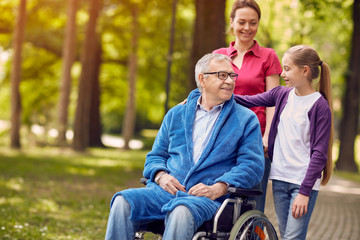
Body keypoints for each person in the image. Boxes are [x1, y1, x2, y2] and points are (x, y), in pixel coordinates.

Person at [104, 53, 264, 240]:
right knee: (123, 201)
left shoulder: (245, 119)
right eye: (222, 75)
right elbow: (155, 156)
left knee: (181, 210)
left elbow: (252, 165)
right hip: (163, 193)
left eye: (232, 76)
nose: (230, 81)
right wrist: (160, 176)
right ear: (202, 79)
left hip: (206, 199)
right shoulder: (176, 114)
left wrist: (218, 188)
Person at [234, 45, 333, 240]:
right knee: (285, 235)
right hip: (280, 179)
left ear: (305, 71)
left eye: (287, 69)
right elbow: (247, 100)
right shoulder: (281, 94)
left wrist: (304, 193)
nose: (282, 73)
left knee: (292, 238)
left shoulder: (319, 106)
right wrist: (206, 96)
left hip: (302, 183)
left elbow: (319, 154)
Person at [212, 0, 282, 212]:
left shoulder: (268, 56)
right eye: (242, 22)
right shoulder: (218, 56)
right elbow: (208, 93)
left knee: (251, 205)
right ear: (232, 22)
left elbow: (273, 100)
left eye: (253, 23)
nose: (247, 28)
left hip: (256, 140)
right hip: (221, 138)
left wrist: (268, 135)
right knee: (218, 200)